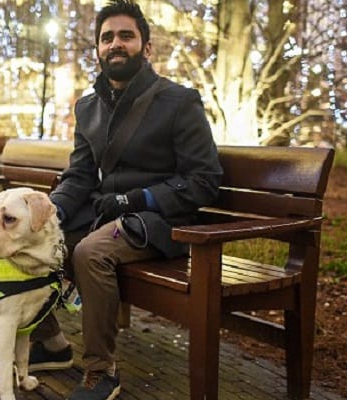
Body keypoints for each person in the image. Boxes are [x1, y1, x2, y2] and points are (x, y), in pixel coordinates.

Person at [27, 1, 223, 399]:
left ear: (146, 48)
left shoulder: (179, 102)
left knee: (89, 253)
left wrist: (141, 197)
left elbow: (205, 181)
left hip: (161, 224)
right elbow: (80, 175)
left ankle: (101, 372)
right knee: (29, 238)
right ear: (98, 49)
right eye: (107, 37)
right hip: (108, 218)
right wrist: (51, 212)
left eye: (126, 36)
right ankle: (52, 343)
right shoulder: (87, 107)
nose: (116, 44)